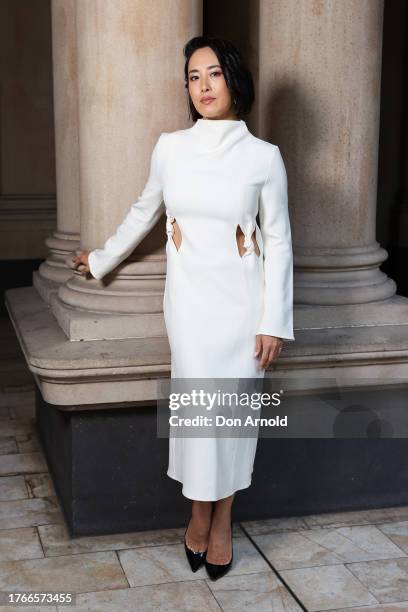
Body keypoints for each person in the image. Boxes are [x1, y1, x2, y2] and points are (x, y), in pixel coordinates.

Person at [72, 35, 295, 581]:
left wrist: (274, 321)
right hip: (192, 312)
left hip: (244, 313)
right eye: (193, 77)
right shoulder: (170, 148)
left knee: (234, 422)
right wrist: (101, 259)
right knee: (201, 422)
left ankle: (221, 525)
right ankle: (200, 515)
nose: (203, 86)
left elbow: (281, 242)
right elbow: (143, 211)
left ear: (233, 80)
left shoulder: (264, 158)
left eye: (213, 74)